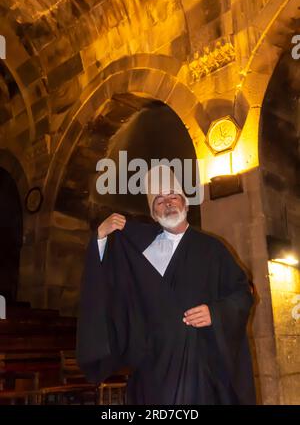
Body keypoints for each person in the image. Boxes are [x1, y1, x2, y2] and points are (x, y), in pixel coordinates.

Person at [76, 166, 256, 405]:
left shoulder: (213, 249)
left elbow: (243, 293)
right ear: (152, 213)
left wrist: (216, 312)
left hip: (199, 367)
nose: (168, 203)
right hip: (151, 367)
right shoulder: (139, 249)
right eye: (159, 200)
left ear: (186, 204)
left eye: (173, 196)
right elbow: (108, 285)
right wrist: (100, 237)